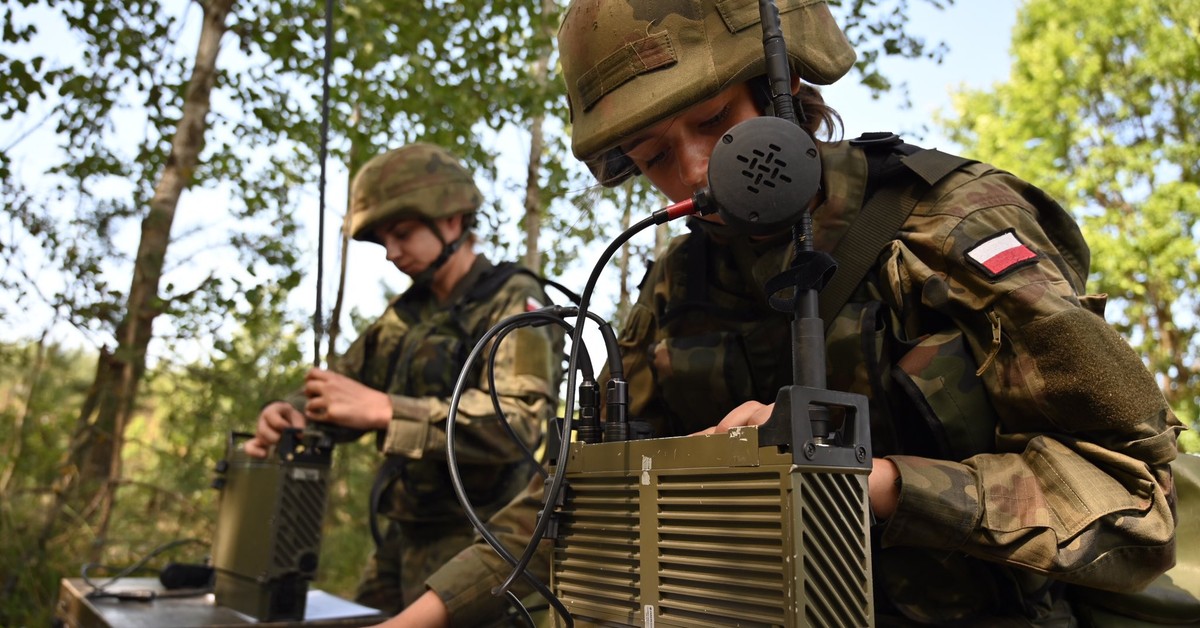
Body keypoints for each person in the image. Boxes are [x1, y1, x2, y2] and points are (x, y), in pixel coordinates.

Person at [384, 1, 1181, 625]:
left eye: (716, 123)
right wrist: (415, 619)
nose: (697, 170)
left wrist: (882, 484)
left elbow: (1135, 496)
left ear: (787, 93)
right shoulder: (675, 288)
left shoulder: (948, 226)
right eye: (657, 155)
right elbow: (571, 502)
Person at [245, 143, 563, 615]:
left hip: (480, 544)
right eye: (382, 240)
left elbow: (517, 423)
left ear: (453, 219)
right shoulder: (405, 314)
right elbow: (343, 387)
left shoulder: (514, 301)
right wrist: (290, 412)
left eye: (403, 233)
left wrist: (386, 410)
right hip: (399, 539)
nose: (392, 253)